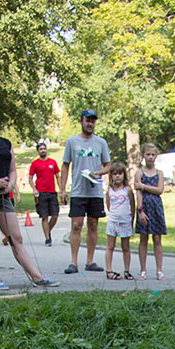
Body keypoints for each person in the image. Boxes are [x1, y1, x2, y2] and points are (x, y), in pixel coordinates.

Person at [0, 103, 58, 290]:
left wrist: (11, 184)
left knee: (16, 237)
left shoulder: (5, 144)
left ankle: (37, 277)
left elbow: (12, 170)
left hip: (3, 195)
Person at [60, 109, 111, 274]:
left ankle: (90, 261)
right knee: (76, 225)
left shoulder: (101, 142)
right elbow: (65, 165)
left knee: (93, 225)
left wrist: (99, 173)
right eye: (87, 120)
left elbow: (108, 165)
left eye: (93, 121)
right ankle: (73, 262)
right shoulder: (72, 141)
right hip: (78, 191)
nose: (90, 124)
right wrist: (62, 189)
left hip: (95, 191)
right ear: (81, 121)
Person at [134, 143, 166, 280]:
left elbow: (159, 190)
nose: (150, 157)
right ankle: (143, 270)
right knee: (143, 238)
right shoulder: (139, 172)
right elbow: (138, 192)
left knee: (157, 238)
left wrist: (142, 186)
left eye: (153, 154)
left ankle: (159, 270)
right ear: (143, 156)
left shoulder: (159, 173)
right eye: (148, 154)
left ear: (156, 156)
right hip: (145, 207)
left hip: (156, 207)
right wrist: (140, 210)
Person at [105, 162, 135, 280]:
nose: (117, 176)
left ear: (124, 175)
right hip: (113, 221)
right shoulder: (109, 190)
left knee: (126, 246)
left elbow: (132, 206)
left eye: (120, 173)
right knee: (110, 246)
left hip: (125, 221)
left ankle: (127, 270)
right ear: (111, 176)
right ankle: (109, 270)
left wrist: (131, 220)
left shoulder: (127, 190)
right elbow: (109, 205)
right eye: (115, 174)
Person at [29, 142, 60, 246]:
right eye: (41, 149)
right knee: (44, 216)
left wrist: (61, 188)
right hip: (41, 193)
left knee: (55, 216)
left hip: (52, 192)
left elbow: (57, 176)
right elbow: (30, 178)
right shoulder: (35, 163)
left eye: (44, 148)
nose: (43, 150)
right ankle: (47, 239)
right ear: (38, 151)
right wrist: (34, 189)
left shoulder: (52, 162)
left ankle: (47, 231)